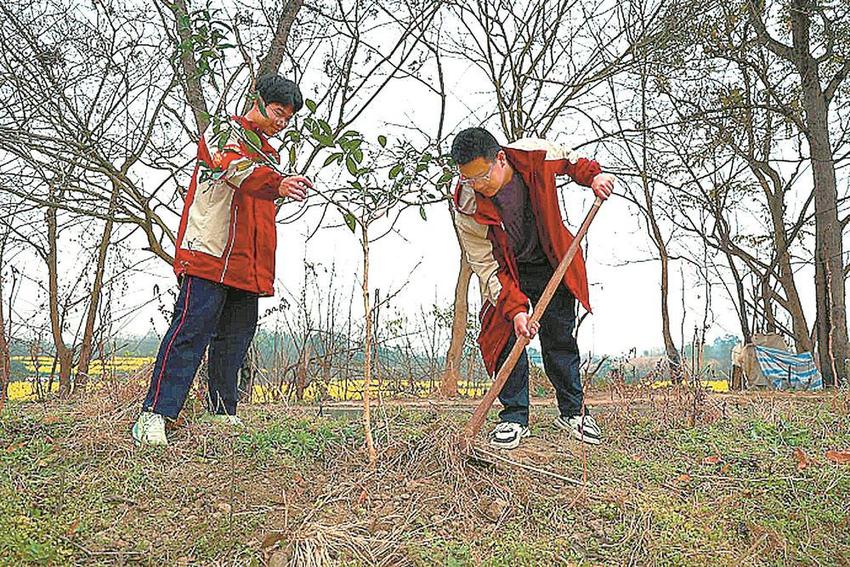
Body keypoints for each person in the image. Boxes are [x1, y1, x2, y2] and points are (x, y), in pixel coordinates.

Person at [132, 74, 313, 446]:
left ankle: (221, 410)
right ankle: (155, 414)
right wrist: (277, 184)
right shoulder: (222, 132)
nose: (282, 122)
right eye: (279, 112)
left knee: (235, 338)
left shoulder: (271, 156)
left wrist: (279, 186)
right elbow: (232, 169)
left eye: (289, 118)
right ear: (259, 100)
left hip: (249, 262)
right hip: (211, 252)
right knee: (190, 330)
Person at [450, 127, 614, 449]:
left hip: (552, 260)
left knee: (559, 338)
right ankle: (514, 417)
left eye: (482, 177)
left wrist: (593, 178)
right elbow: (486, 265)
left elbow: (571, 161)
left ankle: (573, 412)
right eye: (468, 179)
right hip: (508, 272)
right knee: (506, 340)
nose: (477, 186)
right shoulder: (467, 205)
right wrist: (515, 310)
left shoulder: (533, 154)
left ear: (500, 159)